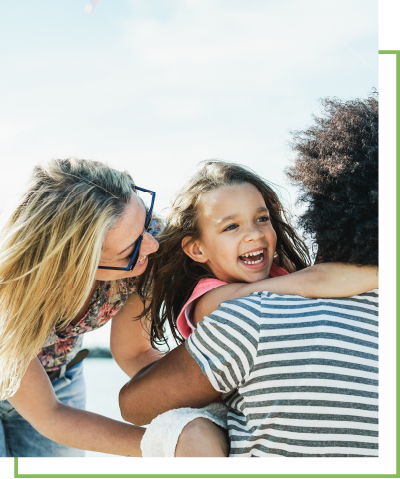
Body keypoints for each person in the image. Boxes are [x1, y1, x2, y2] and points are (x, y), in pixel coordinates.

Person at [119, 95, 379, 457]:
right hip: (218, 398)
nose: (254, 234)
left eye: (261, 218)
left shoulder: (271, 283)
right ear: (196, 249)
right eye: (231, 227)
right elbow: (313, 282)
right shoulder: (212, 300)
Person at [0, 158, 163, 457]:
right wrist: (169, 446)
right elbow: (49, 415)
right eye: (131, 249)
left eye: (147, 221)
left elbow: (135, 352)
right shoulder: (8, 294)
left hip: (60, 376)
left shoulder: (145, 248)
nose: (152, 244)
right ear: (75, 264)